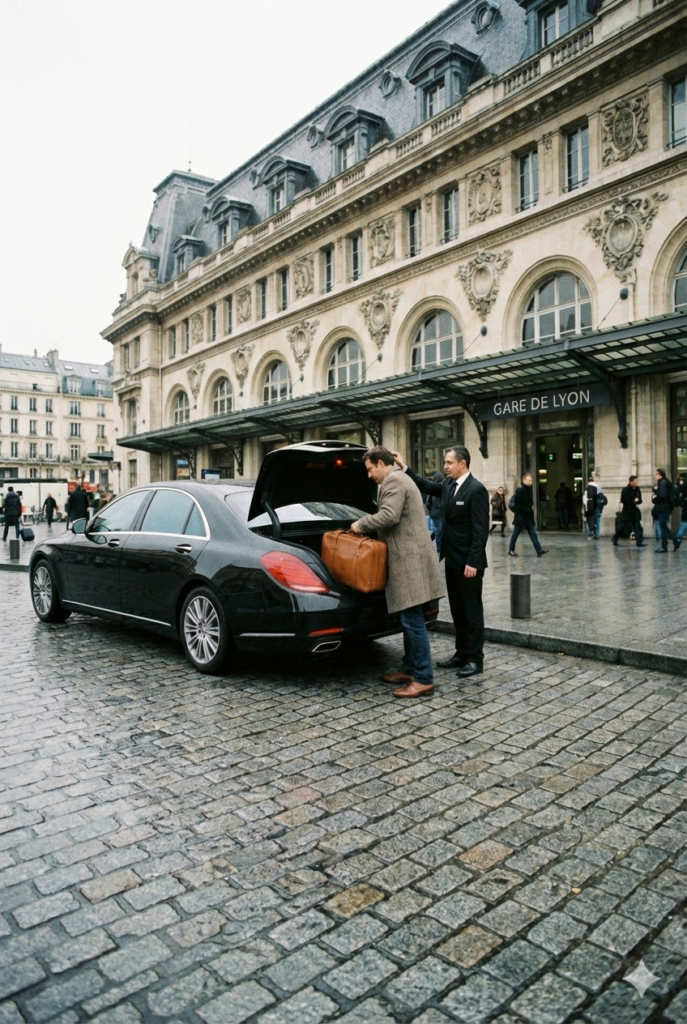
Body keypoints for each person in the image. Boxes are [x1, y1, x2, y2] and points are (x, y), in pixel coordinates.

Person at [351, 446, 445, 698]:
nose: (369, 475)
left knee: (413, 621)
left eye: (370, 469)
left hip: (408, 562)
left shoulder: (394, 481)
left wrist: (360, 524)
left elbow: (389, 516)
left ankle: (423, 678)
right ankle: (410, 669)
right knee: (409, 618)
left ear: (381, 463)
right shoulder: (400, 478)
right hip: (411, 559)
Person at [394, 445, 490, 679]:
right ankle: (461, 653)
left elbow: (480, 531)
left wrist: (473, 562)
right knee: (457, 611)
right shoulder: (448, 485)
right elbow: (426, 485)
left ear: (462, 463)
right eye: (445, 462)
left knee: (472, 612)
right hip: (452, 559)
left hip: (469, 563)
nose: (445, 467)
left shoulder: (476, 490)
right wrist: (404, 467)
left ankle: (475, 659)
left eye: (449, 462)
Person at [509, 473, 548, 558]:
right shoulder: (520, 490)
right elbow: (518, 504)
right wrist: (525, 511)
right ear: (524, 480)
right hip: (521, 517)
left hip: (527, 517)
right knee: (515, 534)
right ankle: (511, 550)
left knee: (533, 534)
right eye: (529, 480)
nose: (530, 482)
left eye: (531, 480)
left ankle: (539, 550)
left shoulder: (529, 490)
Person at [612, 475, 645, 547]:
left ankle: (639, 542)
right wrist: (633, 501)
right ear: (630, 482)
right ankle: (615, 538)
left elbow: (640, 500)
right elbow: (624, 500)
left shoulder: (637, 489)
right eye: (634, 481)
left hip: (634, 511)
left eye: (637, 481)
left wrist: (638, 501)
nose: (636, 483)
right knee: (622, 527)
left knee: (637, 526)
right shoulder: (625, 489)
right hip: (627, 511)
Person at [652, 468, 680, 553]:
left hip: (663, 508)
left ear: (660, 475)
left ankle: (665, 546)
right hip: (664, 508)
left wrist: (655, 494)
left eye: (657, 474)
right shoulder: (663, 482)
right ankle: (675, 542)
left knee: (662, 526)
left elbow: (662, 496)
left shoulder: (663, 482)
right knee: (663, 526)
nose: (656, 476)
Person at [425, 472, 445, 553]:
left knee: (438, 530)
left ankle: (429, 542)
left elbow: (427, 502)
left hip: (435, 512)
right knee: (439, 531)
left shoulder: (433, 487)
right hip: (438, 512)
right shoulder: (440, 487)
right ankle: (439, 548)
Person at [674, 472, 687, 544]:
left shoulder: (683, 485)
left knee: (684, 522)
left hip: (686, 507)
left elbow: (681, 496)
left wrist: (678, 503)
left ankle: (677, 537)